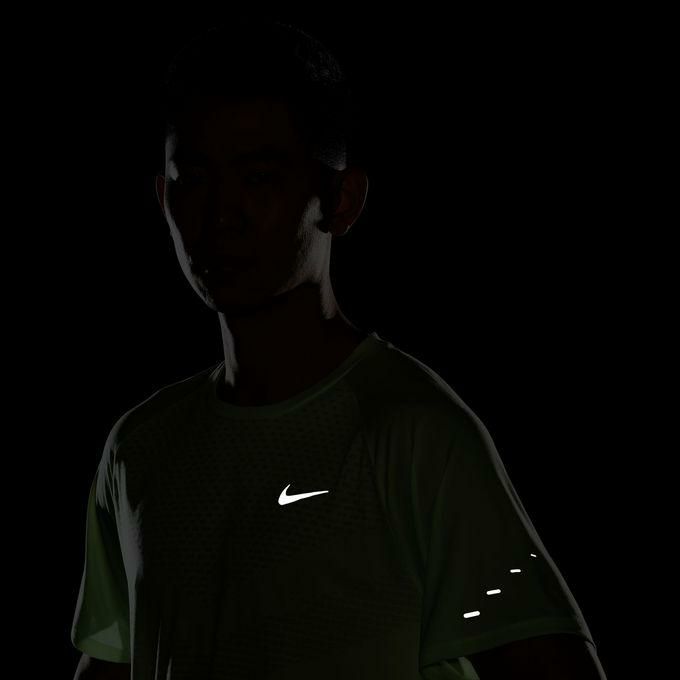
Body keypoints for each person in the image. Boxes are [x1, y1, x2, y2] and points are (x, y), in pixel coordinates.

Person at [70, 15, 607, 680]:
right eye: (195, 178)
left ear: (342, 200)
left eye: (259, 178)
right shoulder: (138, 447)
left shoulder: (414, 435)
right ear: (163, 196)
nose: (221, 214)